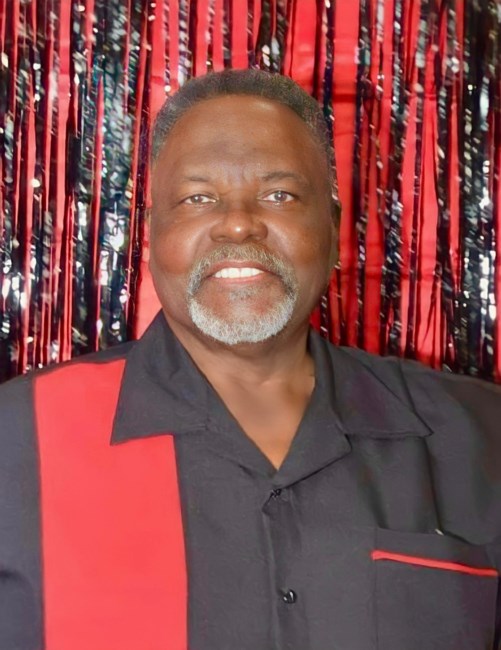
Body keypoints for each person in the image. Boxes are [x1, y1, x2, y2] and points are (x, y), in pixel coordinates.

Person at [1, 68, 501, 650]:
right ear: (151, 231)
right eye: (198, 197)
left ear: (333, 227)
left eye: (278, 195)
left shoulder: (480, 435)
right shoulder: (18, 437)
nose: (238, 223)